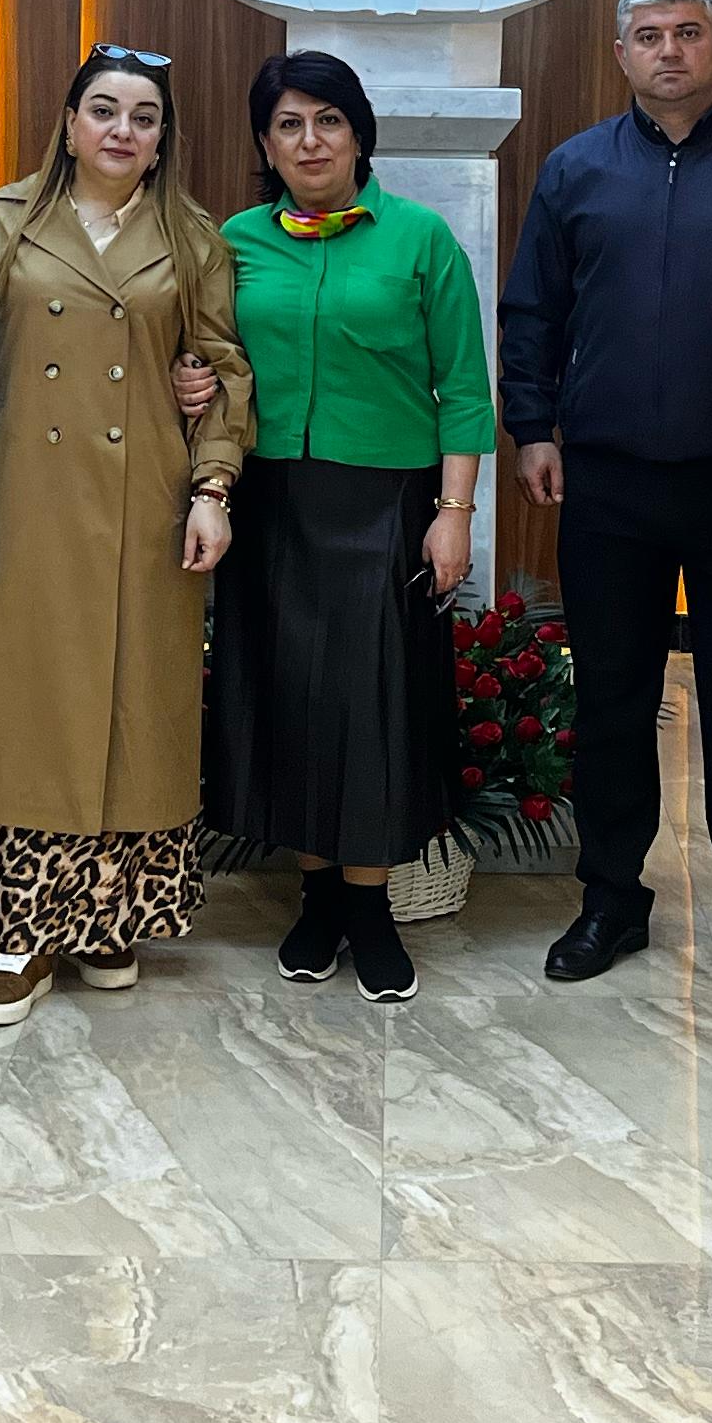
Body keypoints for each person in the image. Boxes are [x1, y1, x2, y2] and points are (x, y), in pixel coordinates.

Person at [501, 0, 712, 996]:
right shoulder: (575, 169)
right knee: (612, 698)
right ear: (622, 54)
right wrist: (532, 428)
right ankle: (609, 899)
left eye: (687, 32)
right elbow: (532, 310)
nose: (669, 51)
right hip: (607, 482)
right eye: (649, 35)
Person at [0, 45, 253, 1027]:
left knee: (135, 708)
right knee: (25, 707)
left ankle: (113, 917)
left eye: (144, 117)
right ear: (69, 124)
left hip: (145, 503)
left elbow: (222, 368)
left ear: (162, 139)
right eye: (104, 110)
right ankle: (20, 927)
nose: (123, 130)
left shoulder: (191, 236)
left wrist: (213, 487)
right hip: (22, 502)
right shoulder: (1, 223)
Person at [208, 52, 489, 1005]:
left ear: (360, 134)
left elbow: (465, 390)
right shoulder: (237, 241)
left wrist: (453, 516)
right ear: (265, 144)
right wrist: (191, 380)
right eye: (288, 124)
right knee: (290, 698)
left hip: (387, 505)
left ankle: (370, 907)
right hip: (270, 500)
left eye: (328, 120)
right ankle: (317, 897)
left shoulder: (420, 237)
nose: (310, 141)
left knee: (373, 706)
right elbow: (207, 354)